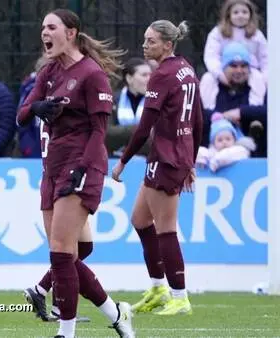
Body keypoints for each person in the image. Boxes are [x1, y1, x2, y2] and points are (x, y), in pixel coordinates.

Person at [17, 8, 134, 338]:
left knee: (61, 250)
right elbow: (21, 116)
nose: (44, 33)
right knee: (67, 255)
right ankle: (116, 313)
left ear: (71, 32)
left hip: (82, 165)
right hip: (52, 167)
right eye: (42, 27)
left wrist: (82, 169)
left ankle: (65, 332)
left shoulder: (92, 74)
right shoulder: (49, 72)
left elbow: (99, 132)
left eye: (51, 27)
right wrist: (35, 108)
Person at [111, 20, 203, 316]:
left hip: (167, 156)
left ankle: (179, 296)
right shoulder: (186, 68)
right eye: (145, 39)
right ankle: (158, 288)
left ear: (167, 44)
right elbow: (198, 120)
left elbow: (143, 128)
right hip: (175, 154)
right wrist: (192, 157)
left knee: (165, 229)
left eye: (151, 41)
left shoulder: (162, 74)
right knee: (139, 220)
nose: (144, 45)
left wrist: (123, 160)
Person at [22, 118, 91, 324]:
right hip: (62, 180)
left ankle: (40, 289)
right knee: (67, 252)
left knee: (83, 247)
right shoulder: (63, 107)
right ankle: (59, 309)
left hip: (66, 178)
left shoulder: (54, 105)